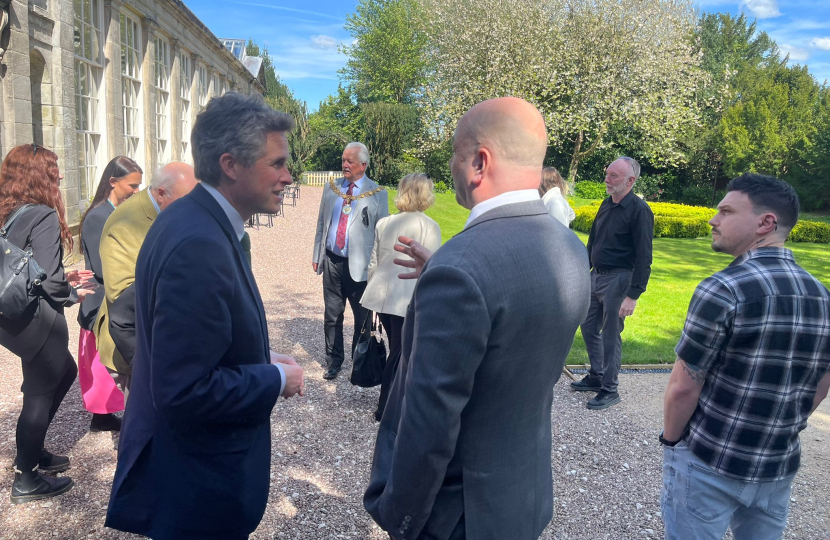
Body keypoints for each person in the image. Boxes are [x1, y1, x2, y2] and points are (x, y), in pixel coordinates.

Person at [364, 97, 591, 540]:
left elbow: (428, 423)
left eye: (454, 153)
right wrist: (448, 277)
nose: (450, 165)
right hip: (522, 498)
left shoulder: (462, 267)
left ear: (479, 162)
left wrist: (399, 517)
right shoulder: (569, 247)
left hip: (458, 516)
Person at [106, 92, 305, 540]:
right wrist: (275, 379)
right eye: (276, 164)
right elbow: (186, 390)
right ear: (231, 164)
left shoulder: (191, 221)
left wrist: (261, 354)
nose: (288, 177)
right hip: (198, 490)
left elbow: (194, 338)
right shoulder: (199, 243)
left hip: (190, 478)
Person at [660, 174, 830, 540]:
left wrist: (672, 444)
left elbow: (683, 388)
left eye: (726, 211)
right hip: (778, 466)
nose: (712, 219)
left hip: (710, 460)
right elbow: (821, 385)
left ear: (765, 223)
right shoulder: (823, 296)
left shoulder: (722, 288)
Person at [0, 144, 95, 504]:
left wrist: (59, 277)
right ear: (39, 175)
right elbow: (51, 282)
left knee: (63, 372)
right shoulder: (40, 214)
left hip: (12, 315)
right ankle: (26, 476)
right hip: (35, 317)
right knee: (42, 389)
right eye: (54, 169)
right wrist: (73, 291)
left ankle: (33, 449)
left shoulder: (9, 212)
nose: (60, 175)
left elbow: (26, 266)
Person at [94, 162, 198, 399]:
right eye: (186, 201)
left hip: (167, 342)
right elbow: (123, 296)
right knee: (146, 423)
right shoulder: (125, 223)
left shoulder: (168, 209)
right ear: (161, 193)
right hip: (138, 346)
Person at [570, 157, 654, 410]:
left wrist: (633, 295)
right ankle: (596, 375)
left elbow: (644, 256)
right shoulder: (606, 204)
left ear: (631, 180)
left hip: (619, 280)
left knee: (610, 335)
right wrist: (583, 274)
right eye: (607, 174)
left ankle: (610, 388)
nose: (607, 179)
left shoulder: (639, 210)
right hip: (596, 276)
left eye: (614, 176)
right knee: (587, 325)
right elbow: (592, 242)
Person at [360, 172, 442, 421]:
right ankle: (386, 408)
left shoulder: (385, 222)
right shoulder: (430, 227)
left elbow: (373, 262)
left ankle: (390, 406)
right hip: (408, 299)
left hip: (383, 295)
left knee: (399, 351)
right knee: (400, 353)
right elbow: (432, 268)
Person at [312, 142, 389, 380]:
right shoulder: (332, 188)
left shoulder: (377, 194)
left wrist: (379, 270)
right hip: (332, 262)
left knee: (361, 317)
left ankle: (358, 362)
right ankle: (333, 361)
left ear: (363, 165)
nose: (345, 165)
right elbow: (321, 224)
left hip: (361, 267)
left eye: (350, 161)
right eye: (344, 160)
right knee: (332, 314)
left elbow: (381, 234)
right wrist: (317, 255)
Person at [77, 156, 142, 433]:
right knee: (101, 363)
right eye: (132, 186)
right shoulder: (97, 217)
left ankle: (104, 415)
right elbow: (104, 268)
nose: (137, 192)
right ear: (113, 182)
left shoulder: (117, 213)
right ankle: (101, 416)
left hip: (114, 298)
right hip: (100, 301)